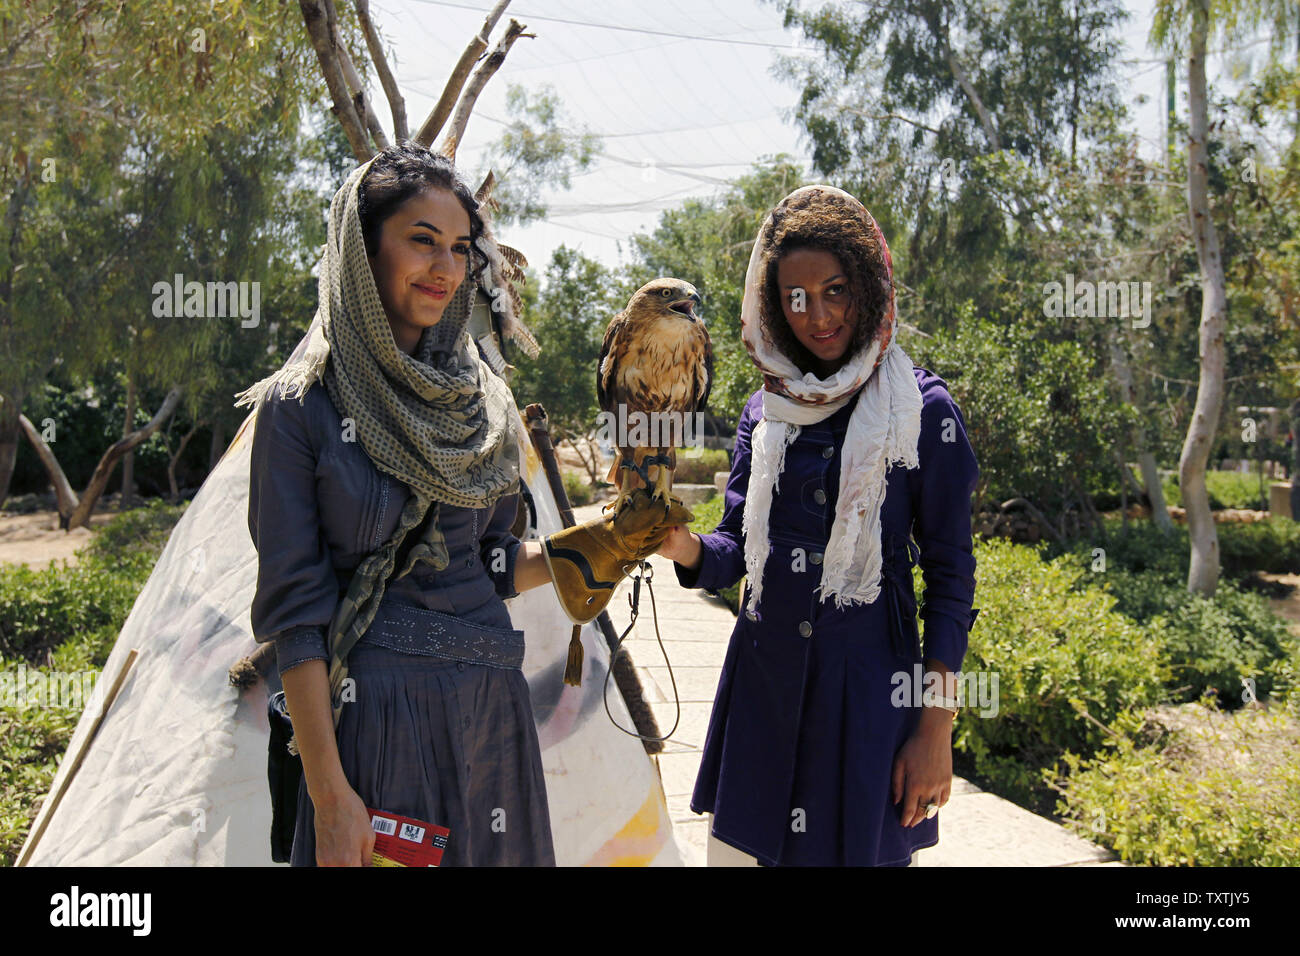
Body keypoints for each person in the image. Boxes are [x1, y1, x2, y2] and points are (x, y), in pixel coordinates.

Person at [238, 143, 674, 867]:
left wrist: (597, 544)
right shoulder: (302, 407)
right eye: (421, 241)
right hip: (377, 729)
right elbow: (297, 617)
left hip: (492, 722)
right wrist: (330, 793)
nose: (445, 268)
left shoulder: (482, 402)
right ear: (361, 247)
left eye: (460, 249)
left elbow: (490, 564)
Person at [656, 184, 980, 867]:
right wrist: (678, 541)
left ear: (868, 283)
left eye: (836, 289)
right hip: (762, 698)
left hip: (864, 708)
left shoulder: (923, 411)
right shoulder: (766, 410)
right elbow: (736, 550)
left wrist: (935, 728)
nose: (819, 315)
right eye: (796, 296)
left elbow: (951, 582)